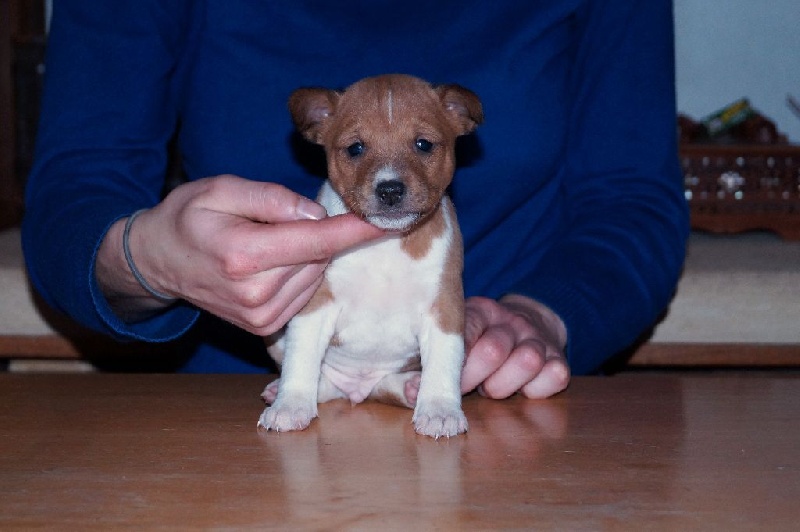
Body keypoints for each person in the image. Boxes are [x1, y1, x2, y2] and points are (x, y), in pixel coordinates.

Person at [22, 1, 688, 399]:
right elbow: (77, 188)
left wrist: (541, 315)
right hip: (237, 394)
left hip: (490, 388)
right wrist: (145, 259)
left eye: (423, 145)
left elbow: (633, 199)